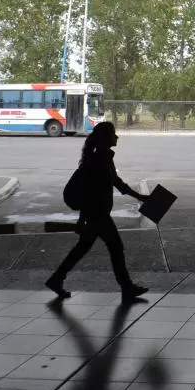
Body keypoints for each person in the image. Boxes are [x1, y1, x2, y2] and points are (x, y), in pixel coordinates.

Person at [46, 122, 149, 300]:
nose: (117, 137)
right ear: (105, 138)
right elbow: (89, 194)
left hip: (97, 213)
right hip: (97, 214)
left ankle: (56, 279)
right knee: (116, 247)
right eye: (113, 134)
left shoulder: (104, 157)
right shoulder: (97, 161)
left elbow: (117, 183)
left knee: (82, 248)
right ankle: (126, 288)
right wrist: (82, 220)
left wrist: (140, 197)